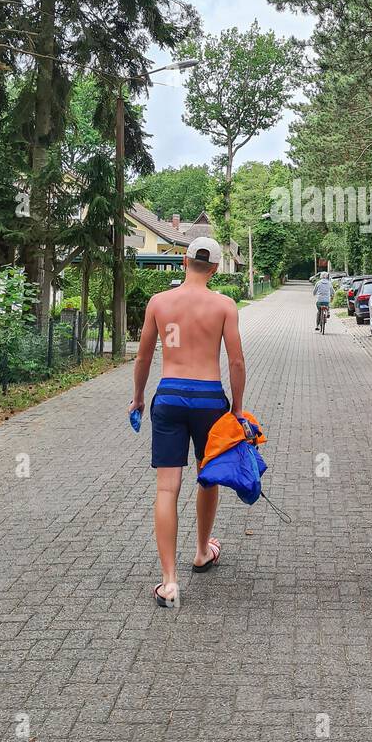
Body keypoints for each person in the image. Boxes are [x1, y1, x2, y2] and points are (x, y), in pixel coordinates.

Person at [131, 235, 246, 609]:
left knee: (167, 489)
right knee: (207, 476)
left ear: (183, 261)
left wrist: (138, 398)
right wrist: (238, 410)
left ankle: (168, 583)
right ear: (214, 268)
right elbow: (237, 362)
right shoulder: (224, 306)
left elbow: (144, 357)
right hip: (210, 401)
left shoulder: (159, 303)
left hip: (169, 396)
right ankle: (201, 552)